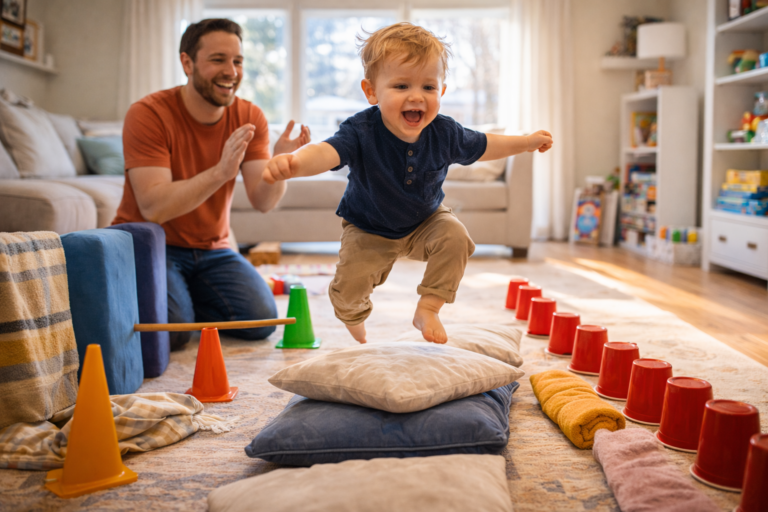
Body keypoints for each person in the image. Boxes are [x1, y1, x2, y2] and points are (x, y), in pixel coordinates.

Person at [262, 23, 553, 344]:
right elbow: (327, 152)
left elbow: (486, 144)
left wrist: (525, 142)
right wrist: (296, 163)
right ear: (372, 91)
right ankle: (353, 316)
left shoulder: (445, 132)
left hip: (425, 222)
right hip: (368, 228)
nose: (416, 96)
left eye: (428, 87)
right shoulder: (360, 130)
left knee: (456, 236)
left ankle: (428, 307)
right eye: (401, 86)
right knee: (348, 292)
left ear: (441, 91)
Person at [112, 18, 310, 349]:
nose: (231, 71)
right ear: (187, 62)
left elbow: (263, 202)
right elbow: (153, 205)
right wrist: (220, 172)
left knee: (261, 319)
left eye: (238, 61)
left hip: (211, 248)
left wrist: (280, 168)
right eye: (218, 60)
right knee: (174, 334)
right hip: (152, 242)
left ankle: (181, 301)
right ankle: (169, 303)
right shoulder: (148, 113)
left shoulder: (251, 116)